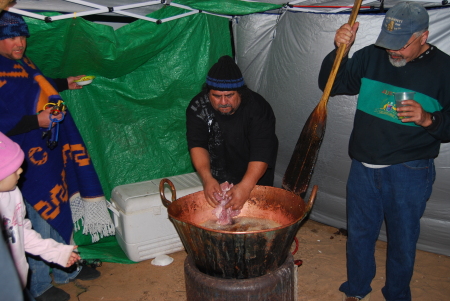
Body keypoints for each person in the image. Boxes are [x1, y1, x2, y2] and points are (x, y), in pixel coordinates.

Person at [318, 2, 450, 301]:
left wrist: (429, 119)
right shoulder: (371, 56)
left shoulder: (445, 70)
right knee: (360, 235)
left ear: (423, 36)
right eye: (388, 43)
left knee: (402, 241)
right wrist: (340, 49)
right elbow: (330, 85)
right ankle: (357, 288)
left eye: (401, 45)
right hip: (363, 167)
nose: (393, 52)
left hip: (409, 170)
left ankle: (396, 294)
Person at [0, 11, 114, 301]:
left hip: (47, 151)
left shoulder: (22, 62)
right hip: (17, 159)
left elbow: (38, 85)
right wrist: (34, 122)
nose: (20, 43)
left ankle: (66, 270)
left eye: (23, 36)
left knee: (58, 208)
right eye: (12, 37)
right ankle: (39, 285)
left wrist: (65, 82)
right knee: (31, 220)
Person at [186, 55, 278, 211]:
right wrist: (207, 179)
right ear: (208, 93)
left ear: (240, 92)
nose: (223, 102)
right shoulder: (198, 108)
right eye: (216, 96)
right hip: (218, 176)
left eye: (229, 96)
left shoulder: (258, 109)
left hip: (253, 177)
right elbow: (197, 144)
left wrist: (246, 186)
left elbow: (261, 152)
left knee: (254, 221)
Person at [0, 131, 81, 300]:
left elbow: (21, 233)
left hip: (16, 285)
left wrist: (55, 252)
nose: (21, 170)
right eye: (12, 168)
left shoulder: (12, 194)